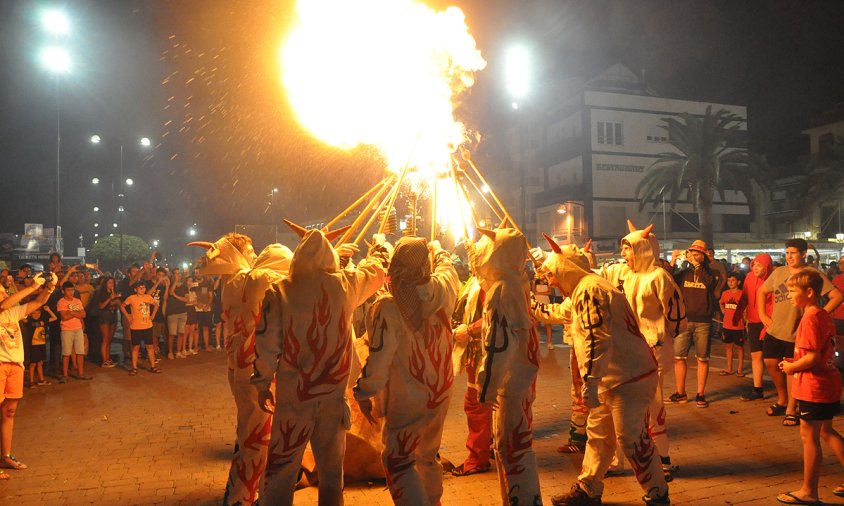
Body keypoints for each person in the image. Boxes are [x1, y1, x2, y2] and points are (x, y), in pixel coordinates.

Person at [253, 222, 388, 505]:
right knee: (330, 472)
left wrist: (262, 382)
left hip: (294, 399)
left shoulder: (279, 291)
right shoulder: (344, 285)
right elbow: (373, 272)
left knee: (282, 467)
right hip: (331, 399)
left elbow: (266, 344)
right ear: (330, 256)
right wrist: (378, 248)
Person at [536, 236, 669, 506]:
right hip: (614, 378)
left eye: (552, 274)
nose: (549, 281)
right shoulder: (584, 290)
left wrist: (590, 382)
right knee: (598, 436)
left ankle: (657, 493)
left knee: (631, 439)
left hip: (627, 377)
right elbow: (560, 313)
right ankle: (588, 488)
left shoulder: (589, 290)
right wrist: (527, 306)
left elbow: (598, 337)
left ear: (565, 269)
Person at [190, 233, 294, 506]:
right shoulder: (251, 280)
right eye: (249, 251)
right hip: (254, 370)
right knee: (256, 439)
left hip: (240, 366)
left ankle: (249, 493)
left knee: (250, 433)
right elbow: (289, 272)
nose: (254, 255)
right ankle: (241, 498)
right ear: (237, 254)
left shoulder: (232, 281)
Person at [354, 238, 459, 505]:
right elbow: (448, 271)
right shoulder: (444, 290)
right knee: (427, 454)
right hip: (439, 393)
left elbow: (379, 358)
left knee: (398, 459)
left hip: (407, 396)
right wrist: (439, 251)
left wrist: (364, 391)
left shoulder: (389, 307)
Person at [471, 228, 542, 505]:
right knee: (519, 444)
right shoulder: (517, 281)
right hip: (523, 376)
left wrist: (486, 388)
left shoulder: (501, 290)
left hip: (510, 381)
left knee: (511, 447)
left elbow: (497, 345)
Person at [614, 221, 686, 481]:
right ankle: (621, 458)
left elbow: (675, 314)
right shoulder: (627, 275)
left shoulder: (659, 276)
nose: (624, 255)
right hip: (631, 350)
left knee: (654, 403)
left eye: (628, 250)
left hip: (653, 348)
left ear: (643, 249)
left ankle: (663, 459)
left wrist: (665, 338)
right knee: (625, 404)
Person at [776, 269, 844, 505]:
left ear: (810, 292)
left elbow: (813, 357)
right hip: (829, 382)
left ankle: (809, 492)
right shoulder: (824, 314)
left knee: (809, 437)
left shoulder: (810, 318)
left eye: (793, 291)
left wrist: (792, 367)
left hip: (815, 386)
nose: (790, 296)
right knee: (826, 431)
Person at [757, 239, 842, 426]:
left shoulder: (812, 274)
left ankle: (791, 409)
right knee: (771, 363)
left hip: (797, 333)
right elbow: (762, 292)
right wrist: (763, 315)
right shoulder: (779, 272)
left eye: (793, 253)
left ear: (804, 254)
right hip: (775, 329)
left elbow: (837, 296)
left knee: (793, 371)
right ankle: (782, 399)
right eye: (787, 253)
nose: (789, 257)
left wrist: (819, 315)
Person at [0, 271, 57, 479]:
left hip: (15, 363)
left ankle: (5, 455)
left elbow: (38, 303)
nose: (3, 294)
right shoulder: (4, 307)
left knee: (9, 412)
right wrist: (32, 287)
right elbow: (5, 304)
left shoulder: (12, 313)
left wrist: (50, 287)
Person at [450, 275, 493, 476]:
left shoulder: (494, 282)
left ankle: (478, 458)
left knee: (477, 405)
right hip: (479, 351)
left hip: (485, 353)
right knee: (479, 403)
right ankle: (488, 448)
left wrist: (468, 329)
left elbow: (493, 316)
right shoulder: (479, 280)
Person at [667, 240, 719, 408]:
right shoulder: (684, 273)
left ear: (703, 256)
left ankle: (700, 394)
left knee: (702, 359)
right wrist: (673, 261)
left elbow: (710, 284)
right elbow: (668, 281)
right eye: (691, 254)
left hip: (703, 321)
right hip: (685, 320)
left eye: (697, 254)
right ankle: (680, 393)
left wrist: (697, 266)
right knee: (678, 357)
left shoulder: (711, 272)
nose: (693, 257)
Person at [740, 254, 773, 401]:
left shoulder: (774, 279)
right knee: (756, 355)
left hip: (770, 322)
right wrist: (739, 314)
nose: (755, 268)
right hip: (753, 321)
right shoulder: (749, 276)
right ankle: (757, 388)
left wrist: (769, 323)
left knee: (772, 358)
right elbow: (745, 296)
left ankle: (783, 389)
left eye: (759, 265)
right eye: (754, 264)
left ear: (767, 266)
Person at [120, 281, 161, 375]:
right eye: (140, 288)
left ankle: (153, 366)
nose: (142, 289)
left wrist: (153, 315)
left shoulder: (148, 297)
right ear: (135, 289)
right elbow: (122, 306)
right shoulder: (131, 298)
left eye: (143, 288)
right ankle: (134, 368)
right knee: (135, 347)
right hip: (136, 326)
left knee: (150, 346)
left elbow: (156, 305)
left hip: (147, 326)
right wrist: (128, 316)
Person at [56, 282, 91, 382]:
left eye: (72, 290)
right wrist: (77, 314)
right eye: (68, 290)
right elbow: (64, 317)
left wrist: (70, 312)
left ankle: (80, 373)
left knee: (80, 352)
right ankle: (65, 375)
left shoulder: (77, 301)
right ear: (63, 291)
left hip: (78, 328)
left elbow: (83, 315)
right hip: (66, 329)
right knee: (66, 353)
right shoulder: (61, 302)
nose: (71, 292)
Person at [719, 272, 746, 377]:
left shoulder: (742, 294)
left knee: (739, 347)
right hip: (727, 325)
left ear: (738, 282)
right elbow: (720, 302)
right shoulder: (725, 293)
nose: (730, 282)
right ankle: (729, 368)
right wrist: (723, 310)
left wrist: (745, 317)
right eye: (729, 280)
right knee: (728, 346)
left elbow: (746, 308)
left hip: (738, 326)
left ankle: (740, 369)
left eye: (733, 280)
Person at [22, 306, 56, 388]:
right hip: (33, 345)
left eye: (38, 313)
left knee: (40, 362)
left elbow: (54, 318)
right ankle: (31, 381)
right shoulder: (29, 321)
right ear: (31, 314)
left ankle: (41, 379)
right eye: (34, 313)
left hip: (41, 344)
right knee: (33, 363)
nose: (37, 315)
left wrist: (48, 310)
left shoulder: (43, 320)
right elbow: (22, 318)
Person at [93, 277, 121, 367]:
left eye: (112, 283)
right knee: (105, 338)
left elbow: (118, 304)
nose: (111, 285)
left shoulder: (114, 292)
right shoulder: (101, 293)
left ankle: (108, 358)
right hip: (104, 316)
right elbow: (101, 306)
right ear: (105, 284)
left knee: (109, 339)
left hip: (113, 315)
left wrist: (116, 300)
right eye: (109, 283)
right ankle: (104, 360)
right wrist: (110, 299)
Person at [167, 270, 189, 359]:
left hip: (183, 312)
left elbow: (186, 299)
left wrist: (176, 296)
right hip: (172, 313)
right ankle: (170, 352)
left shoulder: (184, 287)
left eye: (179, 273)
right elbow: (170, 292)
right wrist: (175, 281)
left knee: (181, 333)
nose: (178, 275)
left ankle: (178, 351)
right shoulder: (170, 284)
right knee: (172, 334)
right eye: (175, 273)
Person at [534, 272, 555, 350]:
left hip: (546, 303)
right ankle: (536, 341)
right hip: (537, 303)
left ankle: (550, 343)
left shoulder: (547, 280)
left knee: (548, 324)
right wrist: (534, 281)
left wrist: (540, 293)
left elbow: (550, 292)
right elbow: (533, 291)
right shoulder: (535, 281)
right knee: (535, 324)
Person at [832, 256, 844, 371]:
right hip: (839, 317)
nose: (842, 265)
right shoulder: (836, 279)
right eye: (840, 263)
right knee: (840, 343)